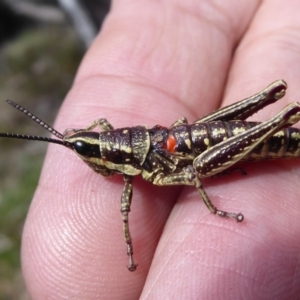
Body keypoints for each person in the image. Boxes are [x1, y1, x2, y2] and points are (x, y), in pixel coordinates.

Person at [22, 1, 300, 299]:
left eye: (84, 147)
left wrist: (215, 209)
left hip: (199, 145)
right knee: (187, 140)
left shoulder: (141, 172)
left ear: (113, 154)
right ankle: (278, 123)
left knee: (195, 173)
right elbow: (102, 122)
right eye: (83, 145)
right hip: (182, 138)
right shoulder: (112, 137)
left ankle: (281, 123)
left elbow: (190, 179)